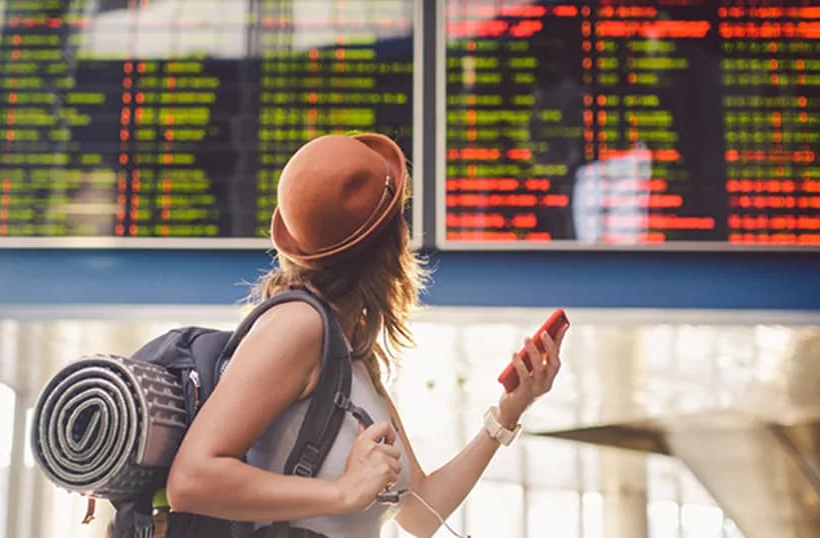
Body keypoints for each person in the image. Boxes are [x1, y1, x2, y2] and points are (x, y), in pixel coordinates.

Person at [166, 133, 567, 538]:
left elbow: (423, 512)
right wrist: (341, 493)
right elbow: (191, 481)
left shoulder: (349, 356)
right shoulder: (298, 326)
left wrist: (508, 412)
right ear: (394, 240)